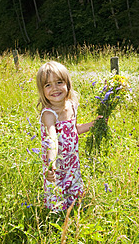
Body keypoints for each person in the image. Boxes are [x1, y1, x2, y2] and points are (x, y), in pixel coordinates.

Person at [36, 61, 102, 212]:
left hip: (72, 162)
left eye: (59, 82)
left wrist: (94, 124)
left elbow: (74, 130)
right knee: (57, 197)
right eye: (48, 85)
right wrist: (51, 163)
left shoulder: (71, 105)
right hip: (56, 166)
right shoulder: (48, 114)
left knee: (75, 193)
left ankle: (74, 214)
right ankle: (57, 220)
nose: (55, 88)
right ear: (42, 90)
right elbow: (52, 139)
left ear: (67, 83)